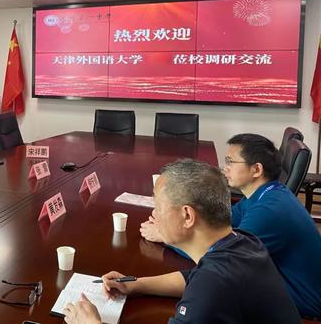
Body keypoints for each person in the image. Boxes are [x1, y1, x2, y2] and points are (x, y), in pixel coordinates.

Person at [63, 159, 301, 324]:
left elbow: (205, 284)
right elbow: (193, 277)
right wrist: (136, 285)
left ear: (188, 215)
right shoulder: (241, 242)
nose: (154, 214)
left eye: (158, 206)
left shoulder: (212, 287)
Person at [140, 133, 321, 318]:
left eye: (230, 162)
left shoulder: (270, 210)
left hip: (304, 306)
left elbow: (218, 253)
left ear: (256, 169)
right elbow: (216, 227)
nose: (225, 168)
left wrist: (167, 237)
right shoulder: (263, 195)